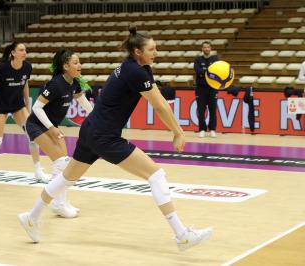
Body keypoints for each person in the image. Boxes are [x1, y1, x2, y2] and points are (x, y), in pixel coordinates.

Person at [18, 26, 212, 251]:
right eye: (152, 49)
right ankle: (182, 235)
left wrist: (176, 128)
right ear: (138, 51)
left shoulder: (140, 68)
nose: (156, 52)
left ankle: (31, 217)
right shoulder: (136, 72)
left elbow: (157, 96)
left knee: (66, 178)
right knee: (156, 174)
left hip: (91, 130)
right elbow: (158, 106)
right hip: (104, 136)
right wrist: (177, 131)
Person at [24, 48, 93, 218]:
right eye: (75, 63)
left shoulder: (74, 82)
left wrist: (95, 116)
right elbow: (36, 107)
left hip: (50, 125)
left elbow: (82, 100)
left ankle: (60, 202)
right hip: (36, 125)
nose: (80, 65)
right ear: (65, 66)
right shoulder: (55, 84)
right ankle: (58, 204)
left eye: (79, 62)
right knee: (61, 161)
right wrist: (51, 128)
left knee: (64, 164)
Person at [0, 42, 49, 184]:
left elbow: (25, 84)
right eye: (21, 50)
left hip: (18, 105)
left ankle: (38, 171)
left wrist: (27, 106)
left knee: (33, 136)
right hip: (2, 106)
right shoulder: (2, 68)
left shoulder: (27, 66)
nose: (24, 52)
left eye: (25, 50)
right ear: (13, 53)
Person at [194, 41, 219, 138]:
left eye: (208, 47)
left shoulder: (215, 59)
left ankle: (212, 129)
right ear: (202, 49)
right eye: (204, 47)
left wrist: (204, 72)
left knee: (213, 109)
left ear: (210, 48)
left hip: (213, 88)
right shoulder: (198, 59)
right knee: (201, 110)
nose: (206, 49)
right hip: (201, 88)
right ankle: (202, 129)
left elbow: (217, 72)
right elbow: (197, 71)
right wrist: (209, 71)